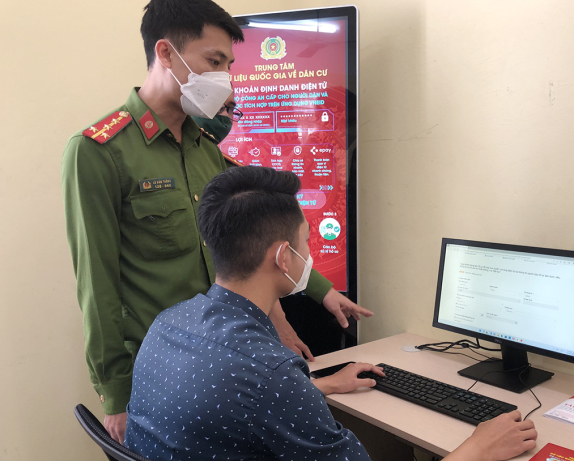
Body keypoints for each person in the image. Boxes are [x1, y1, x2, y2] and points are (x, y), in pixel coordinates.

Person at [61, 0, 372, 444]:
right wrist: (116, 395)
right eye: (214, 61)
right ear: (166, 53)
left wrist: (319, 293)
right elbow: (97, 285)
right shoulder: (99, 151)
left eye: (228, 64)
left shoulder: (207, 147)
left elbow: (255, 237)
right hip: (164, 368)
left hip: (225, 365)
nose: (224, 77)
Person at [125, 166, 538, 461]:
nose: (311, 254)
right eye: (306, 243)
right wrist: (479, 449)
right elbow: (259, 390)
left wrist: (317, 387)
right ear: (284, 257)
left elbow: (224, 410)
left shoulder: (169, 323)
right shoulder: (269, 371)